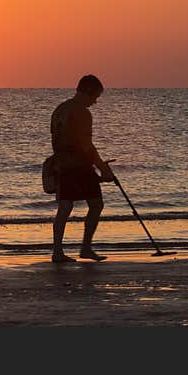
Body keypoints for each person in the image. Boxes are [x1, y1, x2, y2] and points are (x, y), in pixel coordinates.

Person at [49, 74, 114, 263]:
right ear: (86, 92)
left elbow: (55, 139)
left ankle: (58, 252)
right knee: (96, 204)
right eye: (95, 97)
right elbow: (87, 145)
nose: (95, 102)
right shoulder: (82, 113)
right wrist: (102, 167)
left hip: (62, 164)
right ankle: (85, 247)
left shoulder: (60, 109)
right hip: (80, 165)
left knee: (64, 208)